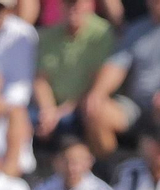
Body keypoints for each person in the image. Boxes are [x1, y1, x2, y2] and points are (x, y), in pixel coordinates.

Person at [81, 0, 160, 156]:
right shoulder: (136, 29)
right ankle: (111, 169)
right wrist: (98, 92)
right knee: (96, 111)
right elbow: (116, 65)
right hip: (136, 106)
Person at [33, 0, 114, 144]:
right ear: (60, 6)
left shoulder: (102, 34)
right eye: (68, 3)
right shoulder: (49, 35)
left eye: (78, 3)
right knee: (20, 118)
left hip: (80, 109)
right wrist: (48, 110)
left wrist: (61, 112)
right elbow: (41, 79)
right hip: (50, 109)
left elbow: (96, 84)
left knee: (93, 112)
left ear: (90, 4)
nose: (73, 8)